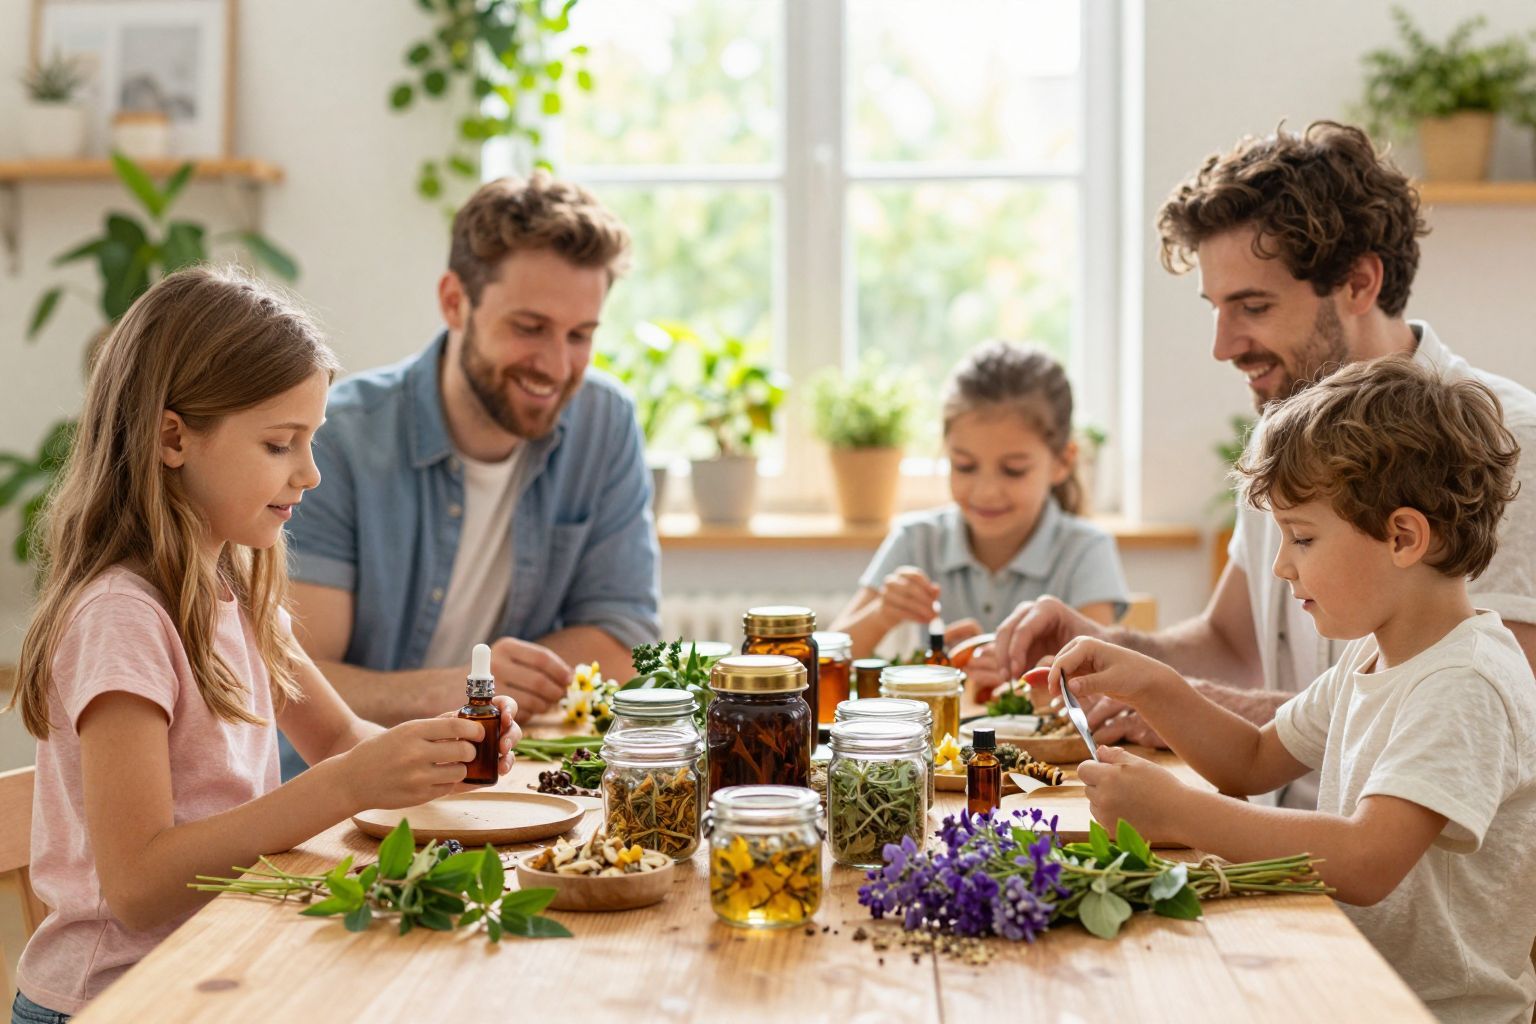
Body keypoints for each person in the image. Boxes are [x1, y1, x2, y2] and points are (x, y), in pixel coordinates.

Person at [6, 267, 518, 1023]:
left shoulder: (234, 592)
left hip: (221, 965)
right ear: (173, 438)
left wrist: (446, 756)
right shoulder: (122, 618)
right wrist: (344, 786)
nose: (309, 474)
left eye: (310, 441)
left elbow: (342, 737)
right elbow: (138, 883)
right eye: (281, 444)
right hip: (116, 999)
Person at [993, 123, 1536, 794]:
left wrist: (1187, 708)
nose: (1223, 346)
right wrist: (1119, 653)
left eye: (1252, 306)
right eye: (1216, 308)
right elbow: (1233, 642)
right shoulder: (1288, 432)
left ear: (1361, 283)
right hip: (1293, 858)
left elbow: (1496, 717)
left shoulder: (1506, 440)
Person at [1047, 357, 1535, 1022]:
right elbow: (1252, 761)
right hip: (1348, 985)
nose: (1280, 566)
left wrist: (1176, 812)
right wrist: (1151, 684)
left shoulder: (1466, 681)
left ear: (1403, 536)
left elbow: (1366, 860)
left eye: (1301, 537)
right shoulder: (1375, 654)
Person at [285, 173, 660, 751]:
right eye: (530, 328)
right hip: (352, 794)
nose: (557, 367)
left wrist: (496, 696)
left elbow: (624, 639)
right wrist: (465, 688)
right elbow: (294, 677)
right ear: (455, 302)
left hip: (512, 772)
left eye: (580, 335)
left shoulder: (604, 424)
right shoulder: (338, 440)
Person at [832, 341, 1128, 680]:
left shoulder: (1086, 551)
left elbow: (1097, 682)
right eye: (965, 466)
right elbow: (827, 659)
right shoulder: (916, 540)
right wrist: (882, 614)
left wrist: (1019, 675)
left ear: (1062, 462)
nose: (986, 492)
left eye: (1013, 470)